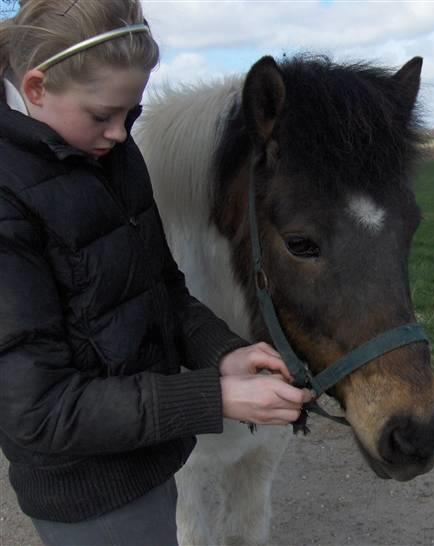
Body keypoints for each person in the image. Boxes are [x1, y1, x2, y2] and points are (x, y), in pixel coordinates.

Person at [0, 1, 311, 545]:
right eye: (103, 115)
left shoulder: (107, 154)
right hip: (88, 494)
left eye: (132, 114)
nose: (121, 134)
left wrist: (223, 348)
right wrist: (214, 400)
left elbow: (161, 287)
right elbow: (40, 411)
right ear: (35, 88)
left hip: (149, 455)